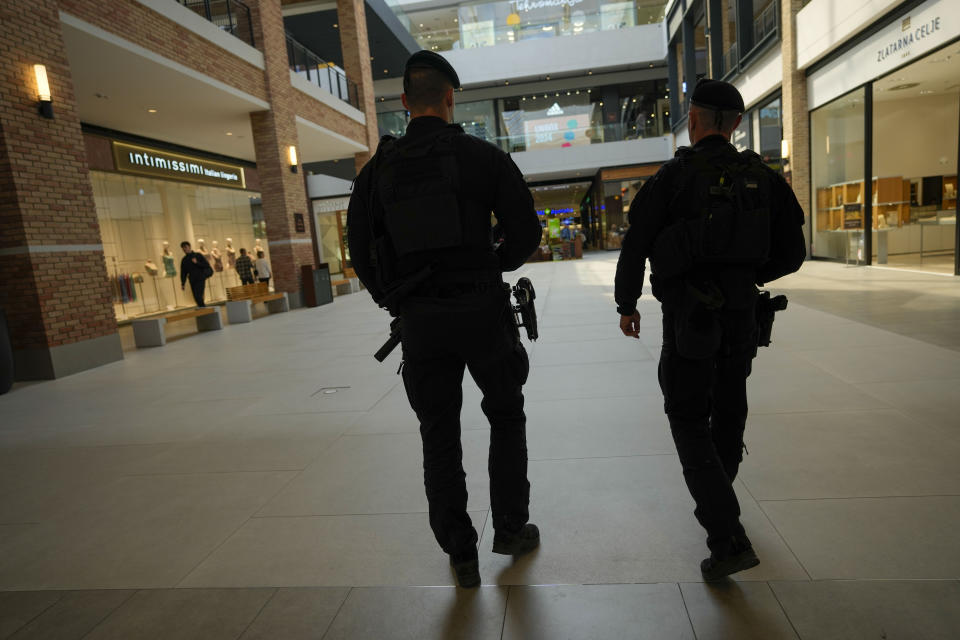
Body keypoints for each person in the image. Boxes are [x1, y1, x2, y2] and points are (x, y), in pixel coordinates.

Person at [347, 50, 543, 588]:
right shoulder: (483, 157)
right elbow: (526, 233)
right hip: (483, 311)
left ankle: (460, 553)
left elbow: (360, 254)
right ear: (450, 97)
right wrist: (490, 263)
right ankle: (509, 526)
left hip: (422, 323)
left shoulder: (377, 173)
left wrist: (398, 302)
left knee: (439, 432)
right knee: (505, 416)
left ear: (405, 101)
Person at [614, 79, 806, 581]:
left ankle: (725, 535)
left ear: (694, 119)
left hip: (687, 320)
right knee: (728, 410)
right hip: (742, 316)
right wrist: (744, 277)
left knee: (685, 417)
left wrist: (627, 303)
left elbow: (636, 245)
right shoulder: (761, 178)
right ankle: (722, 508)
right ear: (737, 124)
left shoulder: (672, 178)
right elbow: (793, 253)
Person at [179, 241, 212, 307]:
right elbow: (183, 272)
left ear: (189, 247)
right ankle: (203, 310)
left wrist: (197, 262)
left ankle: (203, 310)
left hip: (200, 278)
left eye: (185, 247)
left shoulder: (198, 255)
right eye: (183, 248)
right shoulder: (184, 260)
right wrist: (183, 283)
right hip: (192, 280)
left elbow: (206, 265)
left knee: (199, 296)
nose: (184, 249)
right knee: (196, 297)